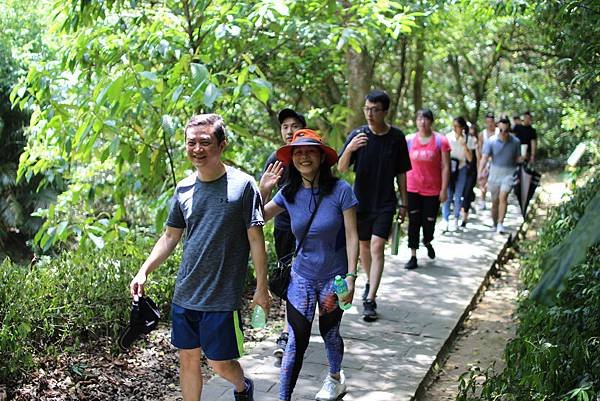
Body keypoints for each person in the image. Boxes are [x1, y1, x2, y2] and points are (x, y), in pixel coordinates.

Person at [129, 114, 271, 401]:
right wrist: (144, 270)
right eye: (191, 142)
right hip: (186, 293)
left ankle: (243, 386)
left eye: (205, 142)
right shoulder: (183, 188)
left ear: (222, 145)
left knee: (218, 363)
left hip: (221, 297)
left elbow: (256, 238)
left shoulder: (243, 186)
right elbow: (170, 236)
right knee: (188, 360)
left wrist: (261, 288)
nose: (197, 149)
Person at [260, 129, 359, 401]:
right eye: (298, 152)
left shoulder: (341, 190)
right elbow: (256, 219)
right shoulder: (288, 193)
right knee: (296, 340)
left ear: (321, 156)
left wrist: (351, 276)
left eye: (310, 151)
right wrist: (263, 190)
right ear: (292, 159)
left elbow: (352, 236)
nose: (304, 156)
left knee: (330, 332)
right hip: (301, 278)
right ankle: (283, 397)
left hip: (334, 279)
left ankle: (335, 378)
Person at [338, 89, 411, 322]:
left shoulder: (397, 138)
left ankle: (370, 298)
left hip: (386, 201)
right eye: (366, 109)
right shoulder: (358, 135)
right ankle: (371, 281)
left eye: (374, 110)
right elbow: (340, 168)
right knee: (364, 248)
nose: (369, 114)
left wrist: (404, 203)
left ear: (385, 111)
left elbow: (401, 173)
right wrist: (350, 148)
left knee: (378, 246)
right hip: (360, 202)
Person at [260, 108, 306, 361]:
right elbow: (260, 204)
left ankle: (289, 331)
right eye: (285, 126)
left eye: (294, 125)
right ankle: (291, 328)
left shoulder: (313, 156)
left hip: (311, 232)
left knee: (301, 280)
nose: (289, 130)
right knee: (290, 279)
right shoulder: (276, 159)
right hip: (285, 229)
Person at [404, 109, 450, 270]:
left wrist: (444, 189)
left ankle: (427, 241)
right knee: (414, 222)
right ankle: (413, 255)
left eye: (426, 119)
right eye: (419, 119)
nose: (422, 122)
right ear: (416, 121)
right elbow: (402, 165)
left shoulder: (440, 141)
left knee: (428, 222)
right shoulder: (409, 140)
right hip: (412, 188)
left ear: (431, 121)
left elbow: (445, 167)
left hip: (432, 189)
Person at [478, 117, 522, 234]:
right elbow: (484, 158)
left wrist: (523, 160)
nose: (503, 133)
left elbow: (518, 158)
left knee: (503, 197)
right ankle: (495, 222)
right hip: (494, 173)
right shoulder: (491, 141)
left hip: (509, 173)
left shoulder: (516, 142)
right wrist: (480, 173)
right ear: (498, 129)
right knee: (495, 201)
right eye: (501, 130)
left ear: (509, 130)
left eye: (506, 131)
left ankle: (501, 223)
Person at [442, 116, 474, 232]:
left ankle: (456, 218)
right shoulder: (448, 138)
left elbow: (470, 159)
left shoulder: (468, 139)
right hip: (449, 169)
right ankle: (445, 219)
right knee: (448, 194)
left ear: (462, 127)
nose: (455, 129)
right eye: (454, 126)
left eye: (457, 126)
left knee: (458, 194)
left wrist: (464, 145)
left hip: (461, 168)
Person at [477, 112, 499, 210]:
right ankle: (482, 201)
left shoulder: (499, 132)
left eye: (491, 121)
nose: (490, 124)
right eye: (488, 122)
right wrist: (480, 164)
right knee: (483, 183)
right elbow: (479, 149)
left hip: (497, 162)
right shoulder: (482, 134)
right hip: (485, 161)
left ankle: (496, 201)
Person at [460, 123, 479, 228]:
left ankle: (464, 218)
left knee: (467, 193)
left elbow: (478, 157)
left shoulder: (474, 141)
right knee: (463, 193)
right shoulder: (458, 140)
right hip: (461, 170)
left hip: (472, 171)